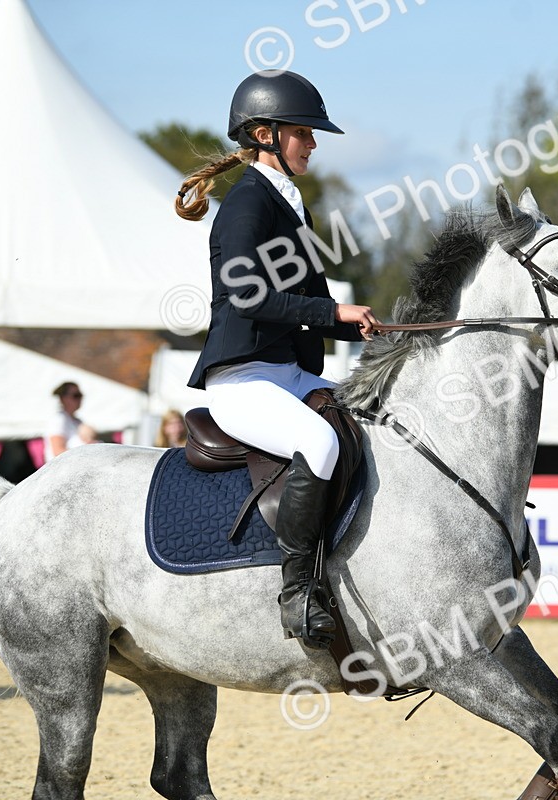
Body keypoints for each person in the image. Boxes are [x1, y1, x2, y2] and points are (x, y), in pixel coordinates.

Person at [177, 71, 379, 650]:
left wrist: (358, 323)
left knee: (373, 417)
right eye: (303, 133)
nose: (312, 144)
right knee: (318, 442)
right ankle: (298, 592)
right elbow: (247, 296)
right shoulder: (247, 202)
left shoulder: (288, 205)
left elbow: (306, 301)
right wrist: (333, 311)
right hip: (243, 379)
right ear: (264, 135)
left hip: (287, 372)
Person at [44, 382, 96, 462]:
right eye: (76, 395)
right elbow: (58, 451)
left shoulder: (78, 421)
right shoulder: (59, 419)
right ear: (63, 398)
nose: (80, 399)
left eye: (80, 395)